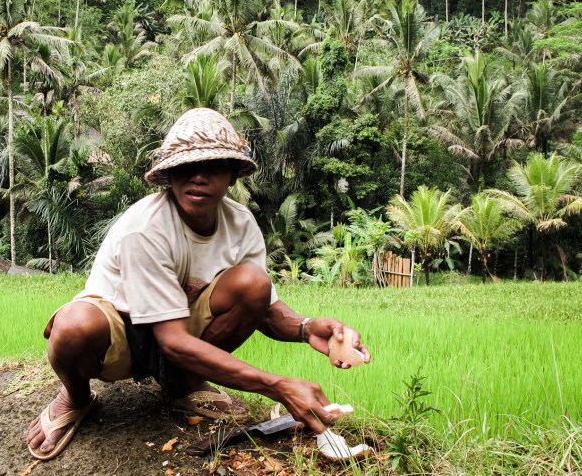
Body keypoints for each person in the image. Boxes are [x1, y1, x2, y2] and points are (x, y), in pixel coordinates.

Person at [27, 108, 371, 461]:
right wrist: (277, 386)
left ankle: (184, 384)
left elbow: (265, 309)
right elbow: (172, 341)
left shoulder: (240, 223)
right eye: (186, 167)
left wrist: (307, 328)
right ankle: (77, 397)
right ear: (169, 174)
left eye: (213, 166)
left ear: (233, 174)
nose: (198, 177)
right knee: (73, 326)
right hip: (122, 333)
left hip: (179, 327)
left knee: (254, 283)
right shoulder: (145, 229)